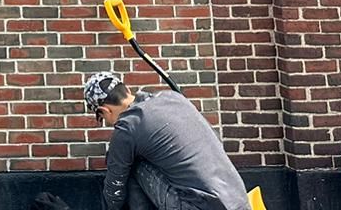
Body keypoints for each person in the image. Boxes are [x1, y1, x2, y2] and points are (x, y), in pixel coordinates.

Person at [83, 72, 250, 210]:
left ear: (104, 110)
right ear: (126, 89)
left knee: (130, 163)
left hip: (197, 206)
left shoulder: (127, 127)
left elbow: (114, 194)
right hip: (239, 201)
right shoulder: (173, 98)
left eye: (103, 118)